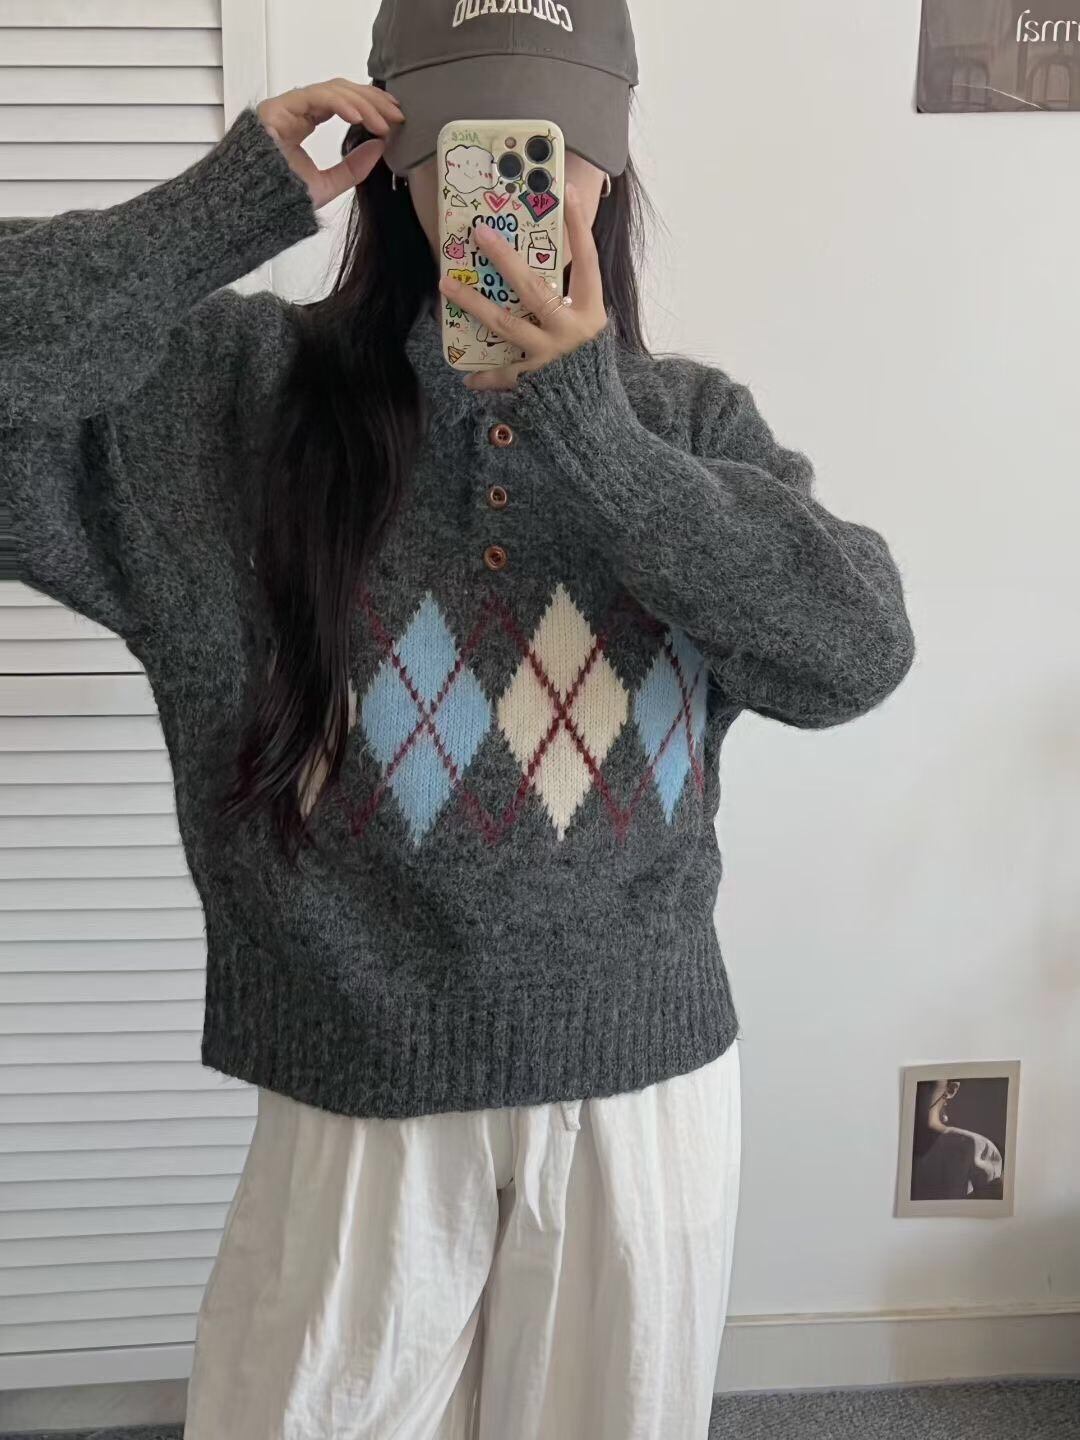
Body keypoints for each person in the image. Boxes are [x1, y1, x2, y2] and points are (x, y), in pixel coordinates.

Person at [0, 1, 915, 1435]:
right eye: (471, 134)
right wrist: (218, 208)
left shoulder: (686, 426)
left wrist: (597, 439)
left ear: (612, 161)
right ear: (393, 149)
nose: (515, 172)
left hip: (636, 1101)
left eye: (555, 139)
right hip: (347, 1093)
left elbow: (856, 653)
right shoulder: (233, 404)